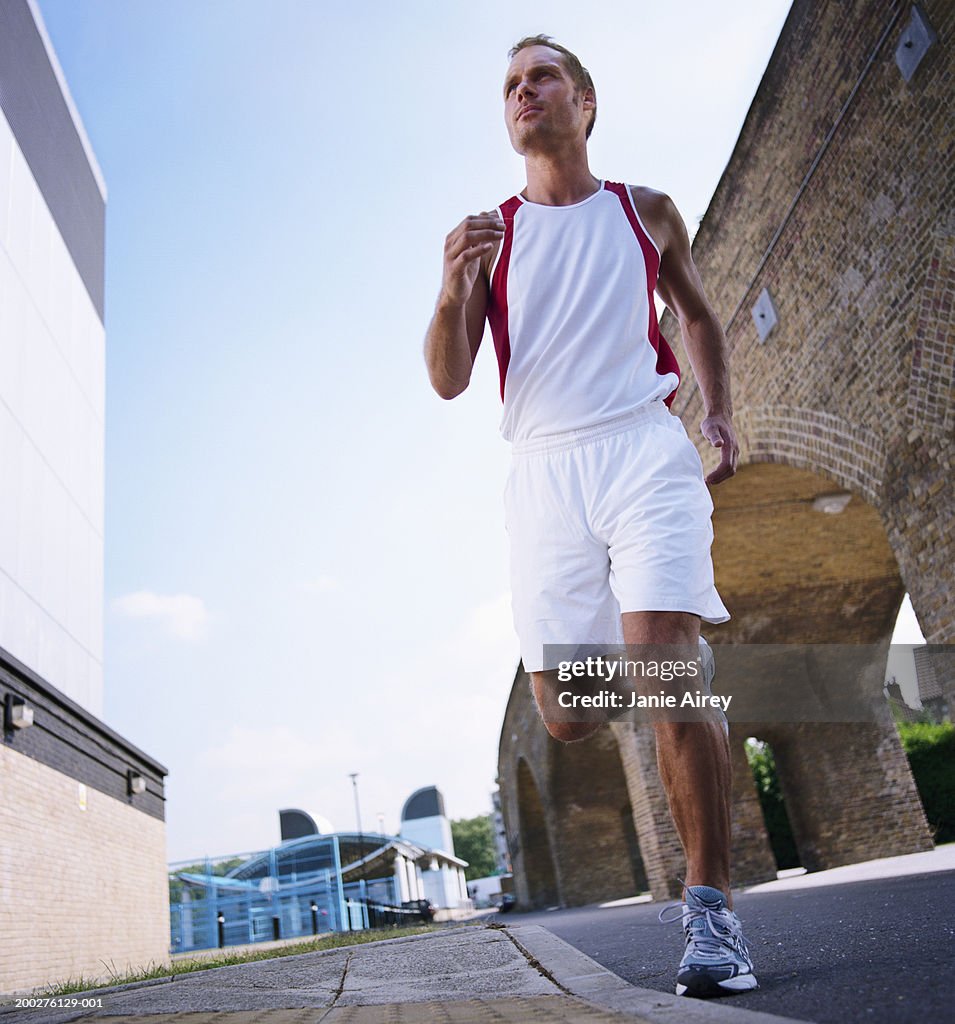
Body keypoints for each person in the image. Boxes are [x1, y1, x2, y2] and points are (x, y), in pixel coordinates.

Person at [423, 35, 757, 999]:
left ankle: (711, 917)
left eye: (542, 78)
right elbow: (448, 380)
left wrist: (718, 406)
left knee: (661, 673)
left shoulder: (642, 211)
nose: (524, 93)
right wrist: (451, 286)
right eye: (510, 86)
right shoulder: (489, 234)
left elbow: (694, 313)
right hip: (542, 473)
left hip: (642, 449)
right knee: (566, 717)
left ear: (587, 101)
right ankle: (672, 678)